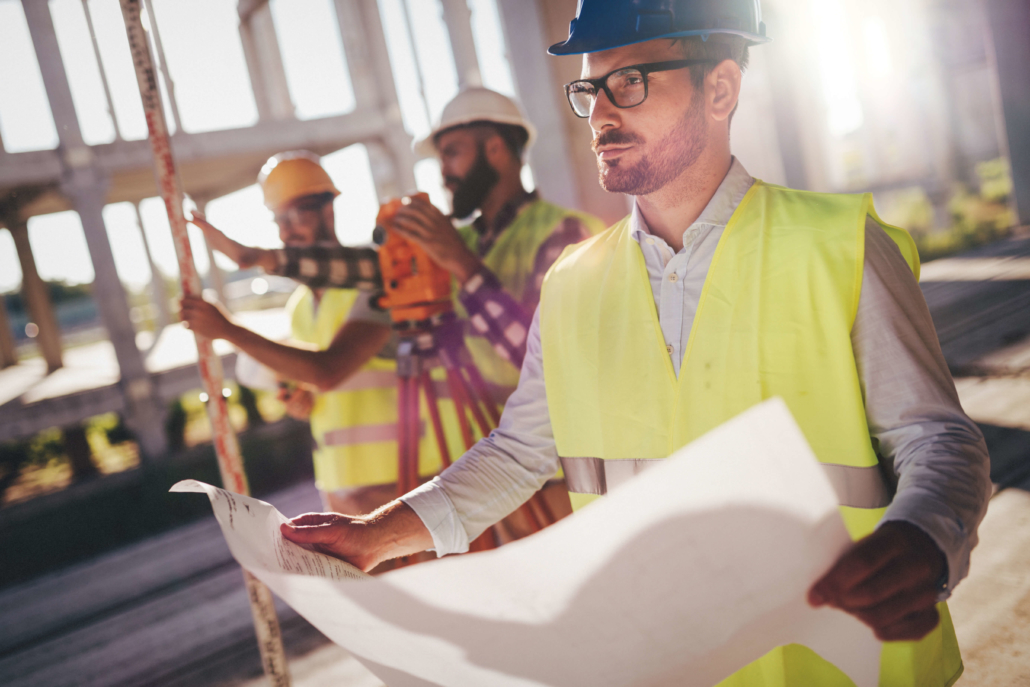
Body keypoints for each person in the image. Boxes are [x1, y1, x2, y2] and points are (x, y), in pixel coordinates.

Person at [276, 1, 992, 685]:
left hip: (838, 666)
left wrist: (925, 538)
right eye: (590, 89)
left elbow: (936, 438)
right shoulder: (575, 282)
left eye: (629, 81)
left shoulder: (839, 248)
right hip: (662, 666)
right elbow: (521, 453)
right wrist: (377, 535)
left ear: (721, 88)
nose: (602, 113)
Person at [190, 90, 606, 525]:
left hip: (556, 471)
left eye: (451, 154)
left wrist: (462, 266)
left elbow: (550, 364)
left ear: (496, 149)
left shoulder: (565, 233)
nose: (443, 173)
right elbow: (363, 267)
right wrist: (263, 259)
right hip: (488, 468)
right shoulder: (459, 241)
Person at [183, 151, 453, 515]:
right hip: (342, 488)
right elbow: (319, 384)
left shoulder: (376, 282)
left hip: (408, 480)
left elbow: (327, 370)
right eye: (279, 219)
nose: (286, 230)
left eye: (297, 214)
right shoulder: (299, 306)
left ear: (328, 209)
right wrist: (301, 399)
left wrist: (228, 331)